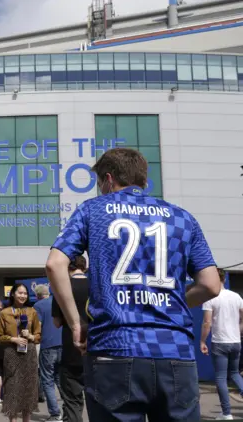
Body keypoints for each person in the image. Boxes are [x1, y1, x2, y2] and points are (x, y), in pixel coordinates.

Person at [46, 147, 222, 422]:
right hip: (174, 348)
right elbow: (211, 285)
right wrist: (165, 299)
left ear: (108, 179)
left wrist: (76, 323)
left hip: (114, 347)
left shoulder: (94, 210)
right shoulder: (181, 217)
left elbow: (55, 263)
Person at [201, 269, 243, 420]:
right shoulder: (236, 296)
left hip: (219, 342)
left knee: (220, 378)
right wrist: (238, 331)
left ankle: (226, 413)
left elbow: (207, 322)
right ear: (224, 279)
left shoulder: (210, 297)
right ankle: (226, 412)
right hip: (236, 341)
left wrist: (202, 341)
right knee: (234, 374)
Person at [0, 284, 41, 422]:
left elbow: (39, 335)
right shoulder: (4, 313)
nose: (22, 296)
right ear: (13, 294)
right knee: (13, 389)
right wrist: (13, 339)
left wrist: (31, 336)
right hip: (11, 353)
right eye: (20, 293)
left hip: (29, 353)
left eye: (25, 293)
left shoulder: (32, 311)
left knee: (28, 390)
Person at [52, 256, 89, 422]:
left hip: (71, 349)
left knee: (72, 400)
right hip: (96, 348)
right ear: (85, 267)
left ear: (68, 267)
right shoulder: (97, 287)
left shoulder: (61, 288)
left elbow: (57, 323)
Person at [33, 284, 63, 421]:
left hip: (47, 345)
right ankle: (69, 410)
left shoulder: (38, 306)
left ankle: (55, 414)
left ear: (38, 295)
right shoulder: (59, 301)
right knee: (60, 379)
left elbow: (36, 326)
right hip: (63, 344)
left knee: (47, 380)